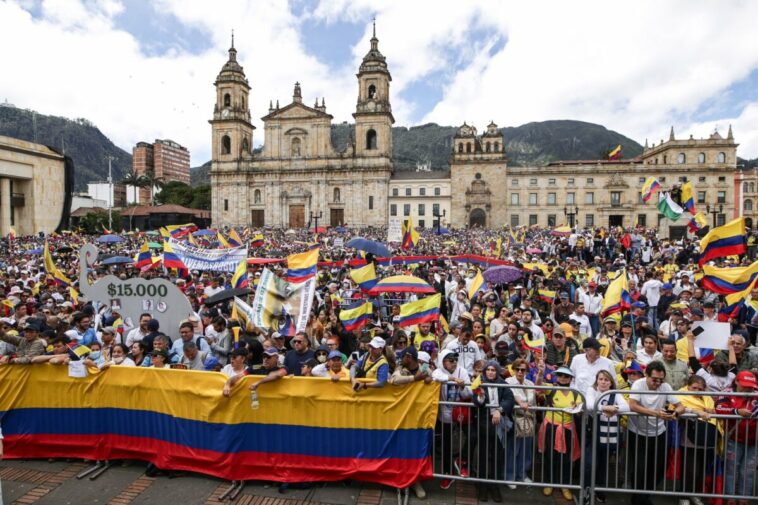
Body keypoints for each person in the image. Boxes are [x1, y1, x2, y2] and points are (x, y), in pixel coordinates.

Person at [627, 361, 685, 505]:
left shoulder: (665, 386)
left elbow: (680, 406)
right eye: (654, 380)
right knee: (639, 468)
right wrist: (655, 413)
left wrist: (675, 413)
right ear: (646, 375)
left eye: (660, 380)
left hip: (659, 432)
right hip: (637, 433)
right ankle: (638, 498)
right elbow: (633, 405)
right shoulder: (638, 384)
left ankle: (645, 495)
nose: (657, 383)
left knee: (659, 467)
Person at [472, 361, 514, 503]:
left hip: (498, 425)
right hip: (484, 424)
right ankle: (482, 486)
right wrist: (481, 396)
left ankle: (494, 485)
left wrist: (499, 410)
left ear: (497, 371)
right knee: (483, 455)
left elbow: (509, 400)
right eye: (488, 370)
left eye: (493, 370)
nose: (490, 372)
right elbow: (477, 402)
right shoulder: (480, 382)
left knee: (497, 456)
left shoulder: (503, 383)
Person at [538, 366, 582, 501]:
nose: (563, 378)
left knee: (566, 458)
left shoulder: (575, 393)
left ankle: (565, 485)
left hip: (567, 430)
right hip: (551, 427)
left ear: (570, 378)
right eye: (560, 375)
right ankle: (549, 483)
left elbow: (579, 409)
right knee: (550, 456)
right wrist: (540, 374)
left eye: (566, 376)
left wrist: (577, 408)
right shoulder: (551, 388)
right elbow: (538, 386)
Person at [586, 370, 629, 503]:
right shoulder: (591, 390)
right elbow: (589, 405)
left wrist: (613, 408)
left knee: (603, 464)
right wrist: (606, 408)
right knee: (590, 463)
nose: (603, 382)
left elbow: (626, 407)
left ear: (611, 382)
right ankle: (587, 490)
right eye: (601, 379)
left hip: (607, 436)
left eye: (606, 380)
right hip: (592, 433)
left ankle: (600, 489)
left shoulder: (615, 394)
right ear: (596, 380)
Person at [715, 370, 758, 503]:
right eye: (744, 385)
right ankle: (730, 499)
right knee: (731, 470)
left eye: (750, 386)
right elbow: (719, 408)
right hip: (734, 439)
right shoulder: (727, 393)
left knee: (748, 471)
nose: (747, 388)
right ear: (736, 382)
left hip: (754, 441)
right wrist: (736, 411)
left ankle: (744, 500)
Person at [432, 350, 472, 490]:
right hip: (444, 414)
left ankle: (462, 462)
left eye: (455, 359)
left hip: (461, 412)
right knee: (446, 445)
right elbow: (436, 376)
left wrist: (462, 387)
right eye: (450, 360)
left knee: (469, 438)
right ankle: (447, 473)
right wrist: (453, 380)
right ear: (443, 361)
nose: (453, 362)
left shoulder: (463, 372)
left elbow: (469, 393)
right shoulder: (439, 371)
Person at [676, 375, 717, 505]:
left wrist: (706, 410)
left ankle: (695, 495)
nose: (697, 391)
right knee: (690, 469)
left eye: (700, 388)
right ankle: (684, 496)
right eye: (694, 388)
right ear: (688, 386)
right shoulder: (680, 395)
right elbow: (679, 408)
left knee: (701, 470)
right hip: (690, 437)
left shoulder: (708, 398)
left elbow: (713, 412)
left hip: (707, 436)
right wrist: (699, 411)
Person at [505, 357, 540, 488]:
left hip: (529, 419)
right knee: (513, 449)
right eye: (517, 369)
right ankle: (510, 476)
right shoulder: (508, 381)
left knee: (527, 449)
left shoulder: (530, 383)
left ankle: (523, 474)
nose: (520, 372)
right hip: (515, 419)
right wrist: (520, 403)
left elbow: (534, 401)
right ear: (513, 370)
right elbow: (513, 395)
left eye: (523, 370)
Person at [222, 347, 287, 397]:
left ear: (276, 358)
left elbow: (277, 375)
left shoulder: (282, 368)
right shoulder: (255, 367)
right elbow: (239, 376)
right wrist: (227, 384)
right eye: (264, 357)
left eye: (268, 357)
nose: (265, 359)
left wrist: (258, 383)